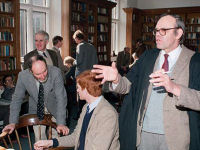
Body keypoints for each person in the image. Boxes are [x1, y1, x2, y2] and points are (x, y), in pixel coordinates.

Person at [92, 14, 200, 150]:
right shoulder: (148, 57)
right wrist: (117, 79)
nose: (157, 35)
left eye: (163, 30)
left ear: (178, 33)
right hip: (144, 133)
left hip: (176, 138)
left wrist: (175, 88)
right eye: (156, 30)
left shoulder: (195, 61)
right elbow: (127, 86)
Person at [34, 70, 120, 150]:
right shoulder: (87, 107)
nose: (77, 91)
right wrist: (50, 142)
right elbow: (76, 137)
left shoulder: (108, 114)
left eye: (78, 87)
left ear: (86, 89)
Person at [2, 55, 69, 141]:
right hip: (37, 110)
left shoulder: (56, 72)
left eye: (44, 71)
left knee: (55, 139)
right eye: (38, 74)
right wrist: (12, 122)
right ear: (30, 71)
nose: (43, 76)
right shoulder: (23, 76)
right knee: (39, 140)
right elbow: (16, 99)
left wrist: (61, 123)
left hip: (55, 108)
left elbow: (61, 99)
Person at [73, 30, 98, 118]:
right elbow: (96, 61)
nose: (75, 41)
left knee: (81, 95)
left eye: (75, 39)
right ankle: (90, 113)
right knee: (90, 94)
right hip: (91, 74)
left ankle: (80, 114)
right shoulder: (92, 46)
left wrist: (73, 62)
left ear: (77, 38)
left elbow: (79, 61)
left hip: (81, 74)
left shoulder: (79, 46)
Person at [63, 56, 77, 125]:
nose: (66, 66)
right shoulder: (76, 67)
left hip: (74, 86)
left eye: (66, 65)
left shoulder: (72, 68)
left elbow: (66, 76)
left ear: (69, 64)